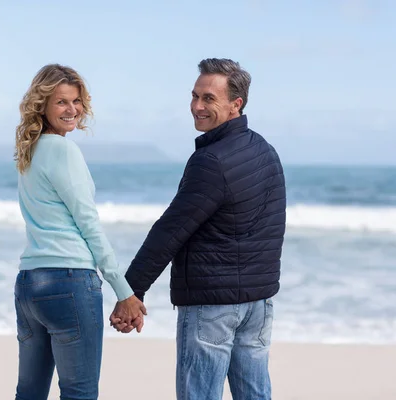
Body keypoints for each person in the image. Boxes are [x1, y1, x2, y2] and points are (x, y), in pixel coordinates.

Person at [110, 58, 286, 400]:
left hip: (213, 308)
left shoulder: (212, 161)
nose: (197, 106)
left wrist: (130, 293)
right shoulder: (266, 151)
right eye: (195, 96)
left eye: (208, 98)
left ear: (236, 104)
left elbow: (170, 231)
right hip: (258, 304)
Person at [13, 64, 146, 400]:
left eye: (76, 101)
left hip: (30, 284)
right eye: (61, 102)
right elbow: (88, 224)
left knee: (29, 394)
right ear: (42, 105)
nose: (72, 109)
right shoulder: (63, 150)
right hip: (69, 284)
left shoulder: (29, 153)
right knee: (80, 393)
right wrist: (124, 291)